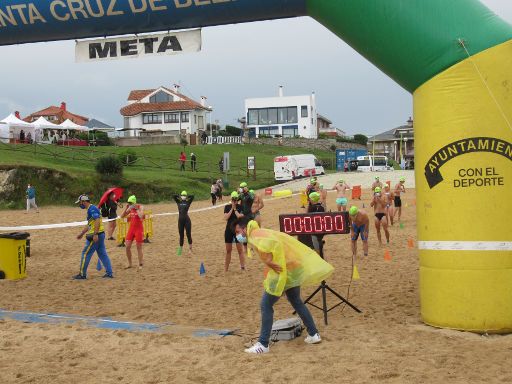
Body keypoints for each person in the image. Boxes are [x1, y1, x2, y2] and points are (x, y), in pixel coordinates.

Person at [234, 219, 333, 354]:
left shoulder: (255, 234)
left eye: (238, 231)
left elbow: (273, 244)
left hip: (284, 270)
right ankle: (313, 334)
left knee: (265, 305)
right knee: (296, 301)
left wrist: (269, 261)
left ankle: (263, 344)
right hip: (293, 268)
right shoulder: (259, 233)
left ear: (244, 228)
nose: (238, 235)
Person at [73, 194, 113, 279]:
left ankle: (82, 274)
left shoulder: (92, 209)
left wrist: (95, 234)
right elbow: (89, 225)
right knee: (102, 254)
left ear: (83, 201)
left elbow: (97, 221)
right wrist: (82, 233)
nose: (80, 204)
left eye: (80, 202)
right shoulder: (91, 209)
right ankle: (109, 273)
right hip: (100, 234)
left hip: (95, 236)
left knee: (85, 253)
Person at [121, 195, 145, 269]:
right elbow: (122, 216)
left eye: (131, 203)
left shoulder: (140, 207)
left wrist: (136, 209)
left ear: (134, 202)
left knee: (139, 247)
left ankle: (140, 264)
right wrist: (126, 208)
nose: (130, 204)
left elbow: (141, 216)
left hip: (139, 229)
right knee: (127, 246)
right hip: (131, 229)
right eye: (129, 203)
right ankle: (130, 264)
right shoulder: (130, 208)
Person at [224, 191, 245, 271]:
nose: (234, 201)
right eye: (233, 199)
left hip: (238, 231)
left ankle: (242, 267)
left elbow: (239, 216)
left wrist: (235, 208)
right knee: (228, 250)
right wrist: (232, 208)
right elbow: (226, 217)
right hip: (229, 230)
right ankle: (226, 268)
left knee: (240, 250)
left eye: (236, 199)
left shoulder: (240, 207)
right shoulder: (227, 207)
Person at [174, 191, 194, 255]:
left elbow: (192, 196)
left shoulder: (188, 202)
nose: (183, 196)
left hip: (187, 221)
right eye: (182, 195)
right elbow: (173, 196)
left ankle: (190, 249)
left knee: (188, 235)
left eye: (184, 195)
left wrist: (187, 197)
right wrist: (179, 196)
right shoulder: (179, 202)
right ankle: (180, 250)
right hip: (180, 221)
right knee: (181, 235)